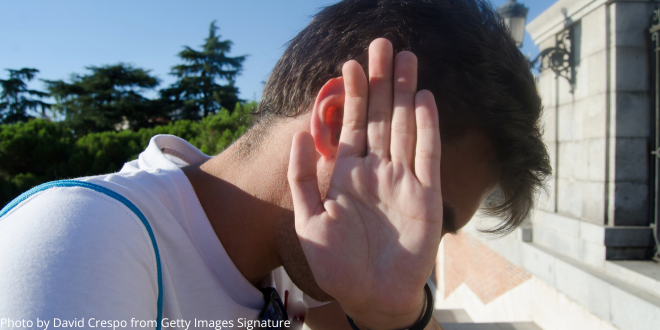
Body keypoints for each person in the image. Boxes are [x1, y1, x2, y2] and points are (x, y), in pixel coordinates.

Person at [0, 0, 550, 329]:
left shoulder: (302, 275)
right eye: (421, 204)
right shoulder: (84, 238)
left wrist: (391, 319)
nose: (420, 252)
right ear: (335, 123)